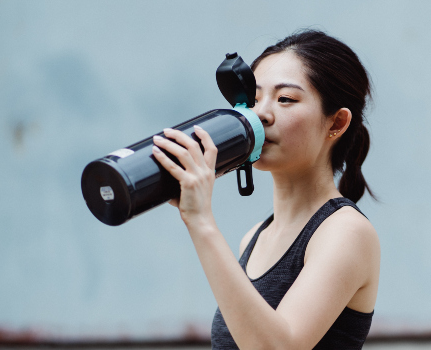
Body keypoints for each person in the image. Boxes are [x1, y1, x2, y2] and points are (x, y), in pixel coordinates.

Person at [151, 29, 379, 349]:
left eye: (285, 99)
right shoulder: (255, 236)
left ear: (336, 123)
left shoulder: (346, 231)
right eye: (253, 100)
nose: (261, 114)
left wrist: (201, 222)